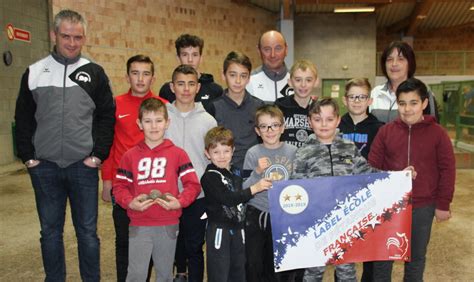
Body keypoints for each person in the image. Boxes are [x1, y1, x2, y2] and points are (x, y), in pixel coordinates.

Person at [14, 9, 115, 282]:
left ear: (84, 38)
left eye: (78, 37)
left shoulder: (95, 73)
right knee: (49, 232)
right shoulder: (34, 72)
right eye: (66, 36)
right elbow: (22, 118)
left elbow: (107, 117)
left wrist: (97, 156)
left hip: (82, 167)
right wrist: (29, 158)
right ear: (54, 35)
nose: (72, 43)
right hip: (44, 168)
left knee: (87, 233)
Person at [368, 78, 455, 281]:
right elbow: (371, 168)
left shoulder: (438, 134)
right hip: (388, 206)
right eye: (402, 103)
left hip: (423, 206)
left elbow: (447, 170)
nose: (407, 109)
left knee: (415, 259)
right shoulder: (385, 132)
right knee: (383, 258)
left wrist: (443, 204)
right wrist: (397, 177)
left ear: (424, 103)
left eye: (413, 103)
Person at [291, 98, 380, 281]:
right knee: (312, 272)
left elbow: (368, 173)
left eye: (329, 119)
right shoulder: (303, 152)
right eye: (317, 119)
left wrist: (398, 176)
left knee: (347, 272)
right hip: (315, 225)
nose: (324, 124)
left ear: (338, 120)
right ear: (309, 121)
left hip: (345, 221)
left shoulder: (348, 147)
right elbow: (295, 187)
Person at [113, 98, 201, 281]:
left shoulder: (178, 154)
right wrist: (130, 202)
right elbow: (119, 187)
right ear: (139, 124)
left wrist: (180, 201)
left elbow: (192, 184)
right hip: (139, 223)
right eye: (148, 121)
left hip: (167, 222)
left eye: (159, 120)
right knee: (136, 274)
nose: (154, 126)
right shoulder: (130, 156)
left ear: (167, 123)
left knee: (164, 274)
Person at [101, 54, 168, 281]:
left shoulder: (163, 106)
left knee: (150, 243)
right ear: (127, 76)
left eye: (146, 73)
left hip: (153, 186)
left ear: (153, 77)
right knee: (124, 241)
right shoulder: (115, 104)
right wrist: (107, 181)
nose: (140, 79)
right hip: (124, 187)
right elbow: (109, 145)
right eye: (135, 73)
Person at [165, 64, 217, 282]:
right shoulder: (163, 117)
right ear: (172, 87)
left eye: (191, 84)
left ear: (198, 87)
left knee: (195, 245)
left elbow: (212, 157)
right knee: (170, 242)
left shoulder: (208, 121)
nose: (185, 89)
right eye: (180, 84)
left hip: (198, 195)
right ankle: (179, 274)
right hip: (167, 192)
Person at [201, 126, 272, 282]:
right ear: (207, 154)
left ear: (233, 151)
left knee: (239, 271)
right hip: (219, 229)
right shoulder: (209, 177)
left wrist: (258, 172)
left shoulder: (236, 172)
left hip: (239, 229)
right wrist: (256, 188)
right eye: (216, 152)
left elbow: (244, 190)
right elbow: (228, 198)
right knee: (219, 272)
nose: (221, 156)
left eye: (226, 151)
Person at [242, 105, 297, 282]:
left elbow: (299, 184)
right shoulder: (253, 153)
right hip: (257, 213)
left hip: (283, 214)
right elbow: (245, 188)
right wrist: (257, 171)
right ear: (258, 131)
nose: (270, 130)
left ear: (282, 127)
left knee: (278, 264)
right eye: (264, 126)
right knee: (254, 263)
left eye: (274, 125)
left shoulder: (292, 152)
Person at [207, 51, 264, 171]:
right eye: (233, 75)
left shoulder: (259, 106)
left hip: (253, 170)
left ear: (249, 78)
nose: (238, 81)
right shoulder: (213, 107)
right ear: (223, 75)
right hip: (224, 170)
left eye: (243, 76)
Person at [370, 41, 438, 123]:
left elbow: (432, 128)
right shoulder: (375, 93)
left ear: (410, 63)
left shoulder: (423, 91)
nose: (394, 64)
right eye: (389, 59)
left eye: (400, 59)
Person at [159, 34, 223, 111]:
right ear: (178, 58)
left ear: (201, 58)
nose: (190, 60)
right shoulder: (167, 90)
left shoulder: (215, 90)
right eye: (185, 55)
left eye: (195, 55)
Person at [275, 59, 318, 147]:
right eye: (298, 80)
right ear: (290, 82)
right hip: (284, 159)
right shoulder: (279, 106)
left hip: (311, 159)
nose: (303, 85)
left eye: (308, 80)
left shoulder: (320, 109)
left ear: (316, 82)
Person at [339, 78, 384, 160]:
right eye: (352, 97)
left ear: (369, 101)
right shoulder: (336, 126)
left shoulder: (379, 129)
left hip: (368, 172)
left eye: (362, 97)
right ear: (345, 100)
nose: (357, 101)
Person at [246, 30, 292, 103]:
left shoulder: (297, 80)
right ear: (259, 51)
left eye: (278, 48)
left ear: (286, 50)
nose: (273, 55)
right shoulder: (248, 81)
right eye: (267, 49)